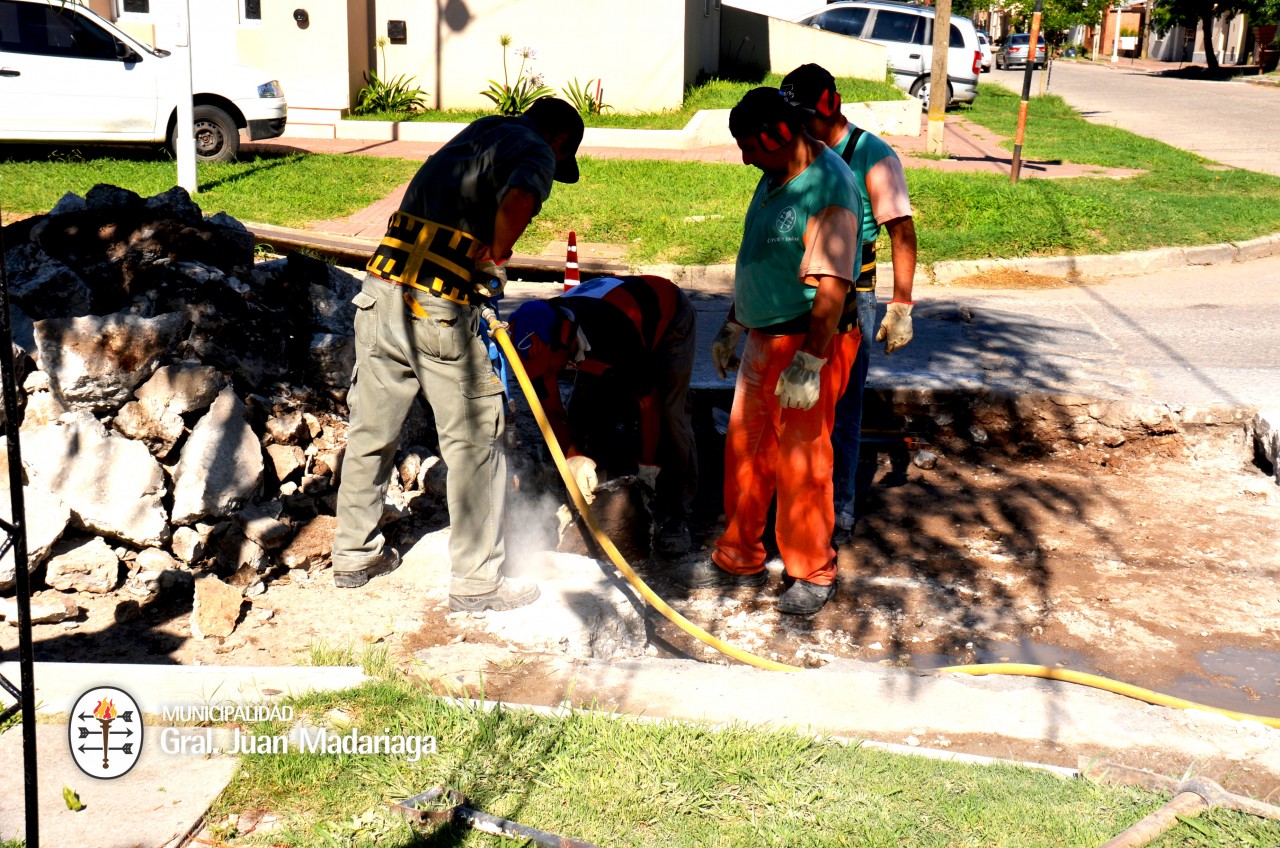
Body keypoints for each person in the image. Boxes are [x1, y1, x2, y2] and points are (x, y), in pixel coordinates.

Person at [332, 97, 584, 613]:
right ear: (560, 142)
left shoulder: (483, 128)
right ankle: (477, 582)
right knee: (475, 443)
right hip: (439, 309)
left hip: (380, 291)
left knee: (371, 433)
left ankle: (353, 554)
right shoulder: (535, 150)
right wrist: (496, 256)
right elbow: (518, 199)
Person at [673, 87, 862, 616]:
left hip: (809, 343)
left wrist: (810, 362)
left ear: (781, 136)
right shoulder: (774, 173)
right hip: (764, 339)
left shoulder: (828, 189)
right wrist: (735, 322)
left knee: (802, 462)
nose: (744, 157)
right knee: (746, 450)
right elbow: (761, 257)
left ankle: (812, 570)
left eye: (749, 145)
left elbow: (830, 288)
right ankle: (740, 554)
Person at [780, 63, 917, 546]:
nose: (800, 129)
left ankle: (839, 507)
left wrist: (901, 304)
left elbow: (902, 231)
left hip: (851, 300)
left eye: (806, 118)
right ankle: (797, 501)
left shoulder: (872, 156)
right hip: (798, 294)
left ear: (831, 104)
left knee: (840, 412)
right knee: (795, 407)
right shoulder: (799, 154)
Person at [505, 274, 698, 556]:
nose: (546, 375)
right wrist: (573, 456)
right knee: (582, 409)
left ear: (564, 341)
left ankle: (674, 514)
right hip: (600, 335)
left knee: (672, 416)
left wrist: (648, 465)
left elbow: (649, 403)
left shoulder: (612, 334)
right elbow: (551, 411)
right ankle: (593, 493)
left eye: (549, 367)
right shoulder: (539, 337)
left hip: (668, 316)